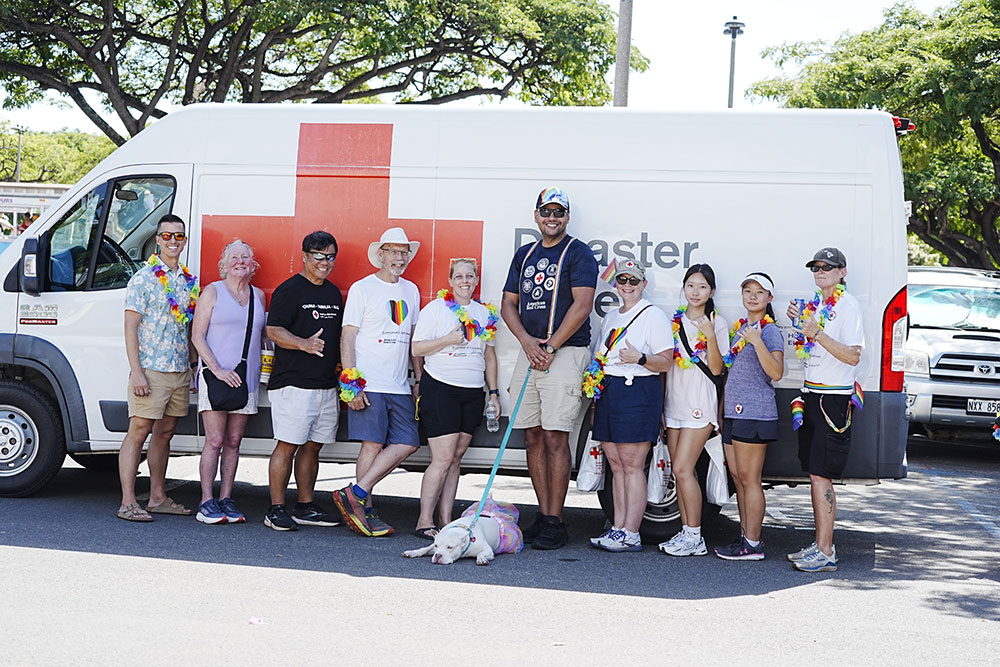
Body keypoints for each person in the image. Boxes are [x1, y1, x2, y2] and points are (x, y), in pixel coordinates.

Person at [501, 187, 598, 550]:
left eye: (559, 212)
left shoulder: (579, 253)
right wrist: (528, 342)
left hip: (565, 353)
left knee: (556, 436)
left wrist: (551, 344)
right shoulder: (524, 255)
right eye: (546, 211)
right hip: (531, 353)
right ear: (536, 215)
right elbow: (508, 304)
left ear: (567, 216)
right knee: (531, 436)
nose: (552, 217)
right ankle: (542, 514)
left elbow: (582, 305)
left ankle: (556, 520)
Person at [333, 227, 422, 537]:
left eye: (404, 252)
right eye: (393, 251)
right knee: (371, 444)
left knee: (408, 442)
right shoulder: (363, 288)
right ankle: (365, 510)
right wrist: (350, 383)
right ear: (380, 255)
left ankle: (355, 493)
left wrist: (418, 377)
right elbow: (348, 336)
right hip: (368, 382)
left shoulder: (411, 290)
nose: (400, 257)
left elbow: (412, 339)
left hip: (398, 384)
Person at [786, 247, 864, 572]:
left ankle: (827, 550)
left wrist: (816, 333)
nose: (820, 271)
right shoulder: (816, 304)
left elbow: (854, 356)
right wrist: (798, 325)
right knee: (814, 474)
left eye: (827, 267)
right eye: (816, 267)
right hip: (812, 395)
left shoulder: (848, 306)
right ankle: (820, 544)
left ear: (842, 271)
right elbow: (806, 350)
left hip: (833, 400)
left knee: (823, 475)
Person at [410, 258, 500, 539]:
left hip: (472, 392)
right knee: (443, 458)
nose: (465, 281)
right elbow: (416, 348)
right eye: (459, 276)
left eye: (470, 276)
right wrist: (448, 340)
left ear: (475, 280)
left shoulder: (483, 313)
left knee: (457, 458)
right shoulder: (435, 309)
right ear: (450, 280)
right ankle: (424, 521)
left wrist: (494, 393)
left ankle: (446, 519)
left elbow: (488, 354)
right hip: (441, 389)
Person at [116, 214, 198, 522]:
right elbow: (130, 328)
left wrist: (192, 366)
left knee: (165, 434)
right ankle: (127, 502)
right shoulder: (144, 279)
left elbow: (188, 329)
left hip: (178, 370)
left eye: (179, 236)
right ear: (158, 240)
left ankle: (157, 497)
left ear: (184, 240)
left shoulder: (189, 281)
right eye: (167, 236)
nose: (173, 242)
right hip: (150, 369)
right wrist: (136, 371)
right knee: (138, 431)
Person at [586, 259, 673, 552]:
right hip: (610, 391)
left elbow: (667, 362)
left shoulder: (653, 316)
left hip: (638, 391)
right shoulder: (611, 317)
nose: (627, 286)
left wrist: (641, 359)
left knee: (633, 464)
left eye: (633, 281)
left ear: (643, 285)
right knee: (615, 464)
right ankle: (618, 528)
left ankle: (631, 532)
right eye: (622, 280)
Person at [263, 231, 344, 531]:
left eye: (330, 256)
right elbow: (274, 330)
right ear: (305, 256)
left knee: (313, 447)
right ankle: (275, 509)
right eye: (319, 255)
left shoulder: (333, 293)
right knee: (288, 445)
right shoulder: (289, 290)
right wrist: (303, 344)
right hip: (293, 384)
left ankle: (305, 506)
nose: (325, 262)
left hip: (325, 386)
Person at [190, 240, 266, 524]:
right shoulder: (212, 292)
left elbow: (260, 336)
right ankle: (206, 501)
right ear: (224, 264)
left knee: (234, 441)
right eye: (234, 257)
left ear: (253, 265)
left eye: (245, 257)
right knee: (215, 440)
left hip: (246, 381)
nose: (240, 261)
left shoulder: (258, 296)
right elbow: (197, 336)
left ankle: (226, 498)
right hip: (215, 377)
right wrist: (217, 370)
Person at [659, 263, 729, 557]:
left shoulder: (718, 322)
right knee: (679, 470)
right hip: (674, 403)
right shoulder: (673, 322)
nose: (695, 292)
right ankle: (687, 532)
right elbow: (665, 366)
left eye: (702, 287)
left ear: (711, 291)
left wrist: (710, 335)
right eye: (691, 285)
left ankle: (695, 536)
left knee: (686, 469)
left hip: (700, 405)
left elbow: (716, 368)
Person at [714, 272, 784, 560]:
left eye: (759, 291)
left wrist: (757, 342)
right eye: (747, 291)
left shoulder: (768, 331)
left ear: (769, 298)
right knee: (738, 478)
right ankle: (745, 536)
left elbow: (777, 373)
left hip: (755, 413)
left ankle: (753, 544)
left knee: (750, 478)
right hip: (733, 412)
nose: (753, 296)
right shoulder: (743, 327)